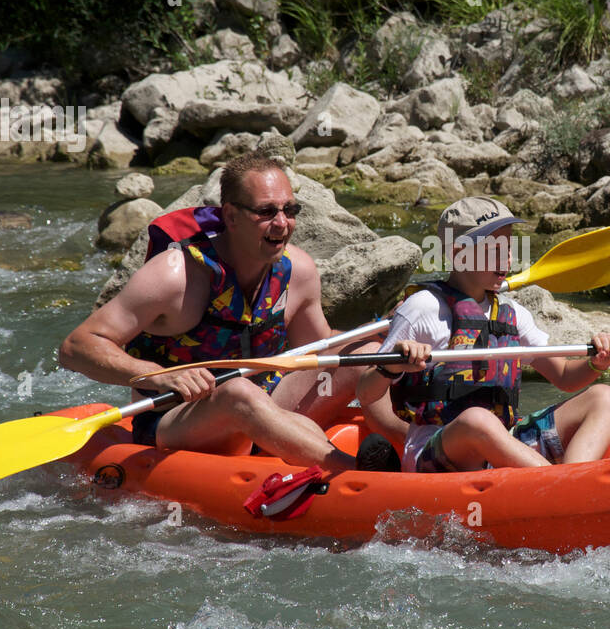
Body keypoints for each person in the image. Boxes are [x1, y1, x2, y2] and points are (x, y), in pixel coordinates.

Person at [58, 152, 404, 471]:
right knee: (238, 392)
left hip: (269, 403)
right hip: (179, 419)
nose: (282, 223)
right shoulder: (175, 276)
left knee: (368, 354)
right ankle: (356, 474)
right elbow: (76, 348)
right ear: (231, 216)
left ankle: (417, 452)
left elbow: (316, 348)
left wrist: (384, 332)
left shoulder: (298, 271)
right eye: (266, 212)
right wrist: (157, 376)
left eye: (290, 210)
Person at [355, 196, 610, 473]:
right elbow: (365, 393)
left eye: (508, 248)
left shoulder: (512, 313)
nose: (506, 259)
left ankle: (575, 480)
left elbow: (566, 377)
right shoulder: (422, 308)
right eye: (495, 250)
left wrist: (597, 362)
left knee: (605, 397)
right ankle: (564, 485)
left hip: (504, 440)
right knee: (477, 420)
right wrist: (390, 367)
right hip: (438, 451)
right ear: (459, 252)